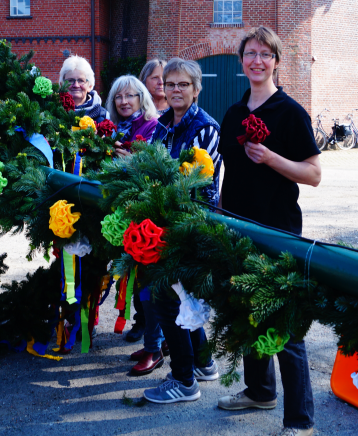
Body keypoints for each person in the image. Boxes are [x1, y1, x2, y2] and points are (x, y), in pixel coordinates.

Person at [216, 27, 321, 436]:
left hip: (277, 231)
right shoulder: (234, 113)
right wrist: (223, 218)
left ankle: (300, 420)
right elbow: (229, 172)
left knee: (284, 322)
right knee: (247, 311)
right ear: (241, 62)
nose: (257, 61)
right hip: (239, 227)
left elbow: (313, 175)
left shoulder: (290, 112)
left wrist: (272, 158)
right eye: (250, 54)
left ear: (276, 61)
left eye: (265, 54)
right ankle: (259, 390)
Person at [142, 57, 221, 404]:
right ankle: (203, 363)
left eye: (183, 85)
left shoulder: (206, 128)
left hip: (189, 226)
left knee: (166, 300)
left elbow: (208, 188)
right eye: (169, 84)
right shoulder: (161, 126)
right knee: (180, 299)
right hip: (161, 223)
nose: (175, 90)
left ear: (196, 89)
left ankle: (184, 381)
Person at [125, 59, 167, 343]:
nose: (162, 83)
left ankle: (159, 333)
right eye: (155, 78)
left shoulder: (166, 117)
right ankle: (142, 320)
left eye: (167, 78)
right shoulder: (133, 116)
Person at [105, 75, 159, 155]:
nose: (124, 102)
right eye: (118, 97)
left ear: (141, 97)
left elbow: (152, 161)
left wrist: (131, 160)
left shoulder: (153, 125)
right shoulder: (111, 126)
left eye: (129, 95)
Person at [58, 55, 110, 122]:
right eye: (70, 80)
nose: (76, 85)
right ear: (62, 84)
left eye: (81, 80)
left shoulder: (104, 116)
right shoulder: (51, 112)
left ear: (90, 86)